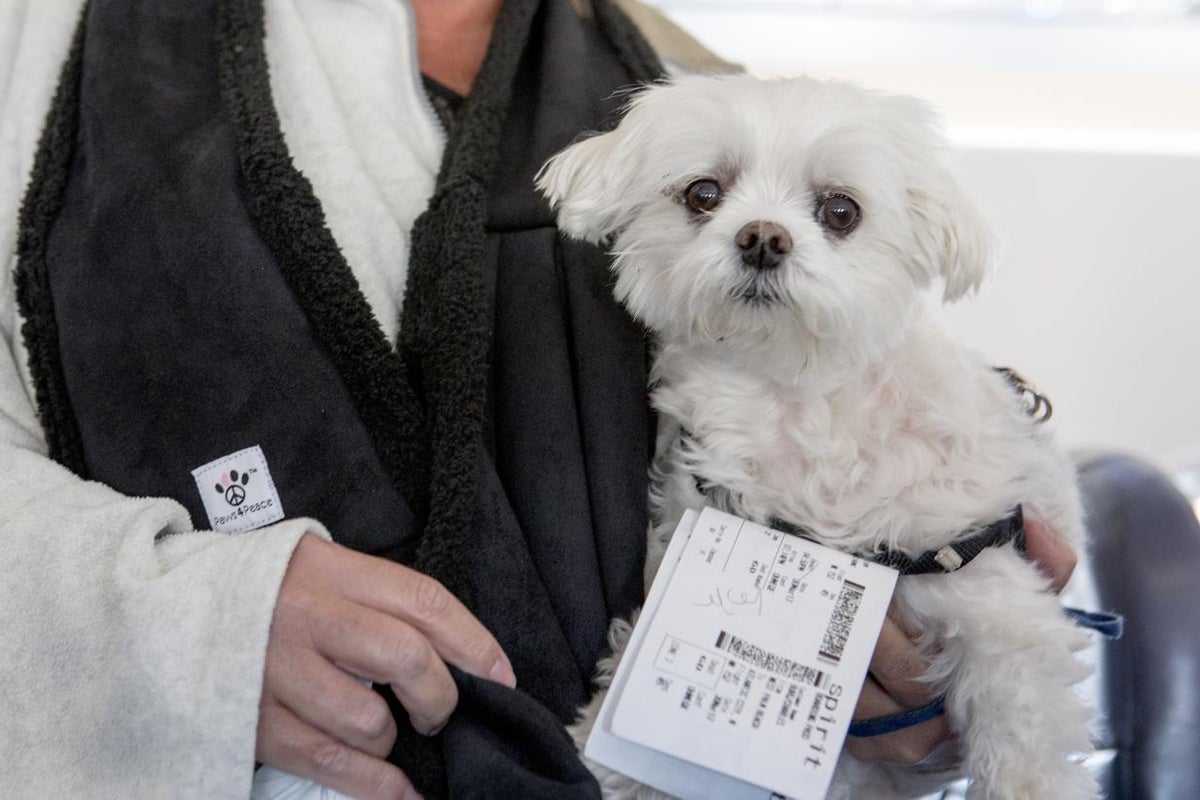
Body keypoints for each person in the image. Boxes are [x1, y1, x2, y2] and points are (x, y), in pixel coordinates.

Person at [0, 0, 1078, 798]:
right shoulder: (41, 49)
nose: (758, 229)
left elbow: (870, 413)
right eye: (707, 198)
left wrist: (906, 696)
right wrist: (183, 622)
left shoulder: (683, 70)